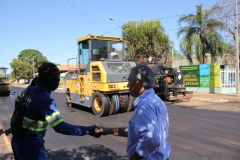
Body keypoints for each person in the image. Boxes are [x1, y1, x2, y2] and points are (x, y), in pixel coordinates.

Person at [11, 62, 102, 160]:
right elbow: (60, 127)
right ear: (50, 79)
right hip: (31, 147)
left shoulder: (29, 90)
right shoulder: (44, 99)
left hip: (17, 140)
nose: (58, 80)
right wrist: (89, 130)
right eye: (56, 78)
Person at [101, 64, 171, 160]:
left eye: (129, 80)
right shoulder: (157, 101)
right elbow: (134, 131)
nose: (127, 84)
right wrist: (105, 130)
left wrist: (135, 157)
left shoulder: (145, 106)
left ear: (138, 81)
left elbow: (152, 138)